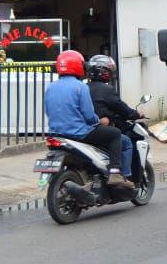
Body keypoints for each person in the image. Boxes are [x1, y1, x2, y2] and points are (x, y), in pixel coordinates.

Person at [43, 49, 131, 189]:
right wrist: (98, 121)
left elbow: (48, 111)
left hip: (56, 134)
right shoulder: (80, 87)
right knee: (114, 134)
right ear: (79, 66)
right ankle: (115, 172)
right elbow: (89, 115)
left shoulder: (50, 87)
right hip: (78, 134)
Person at [86, 54, 141, 179]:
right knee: (126, 142)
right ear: (105, 72)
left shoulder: (83, 88)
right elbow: (121, 108)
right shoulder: (107, 90)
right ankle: (124, 176)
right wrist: (136, 114)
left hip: (84, 129)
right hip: (98, 130)